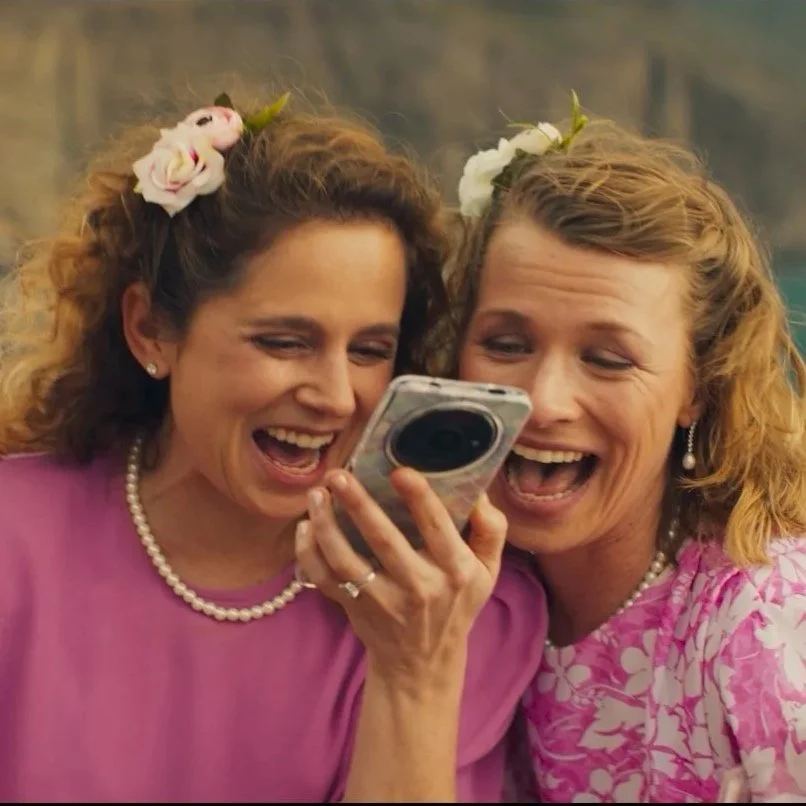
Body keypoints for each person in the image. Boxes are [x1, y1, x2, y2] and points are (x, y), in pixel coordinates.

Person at [0, 93, 547, 802]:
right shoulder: (15, 542)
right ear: (150, 330)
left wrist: (413, 673)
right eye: (284, 342)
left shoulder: (448, 606)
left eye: (369, 351)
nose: (336, 396)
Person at [448, 100, 806, 801]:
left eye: (608, 359)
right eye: (507, 344)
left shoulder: (764, 623)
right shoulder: (446, 587)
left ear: (697, 388)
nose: (544, 400)